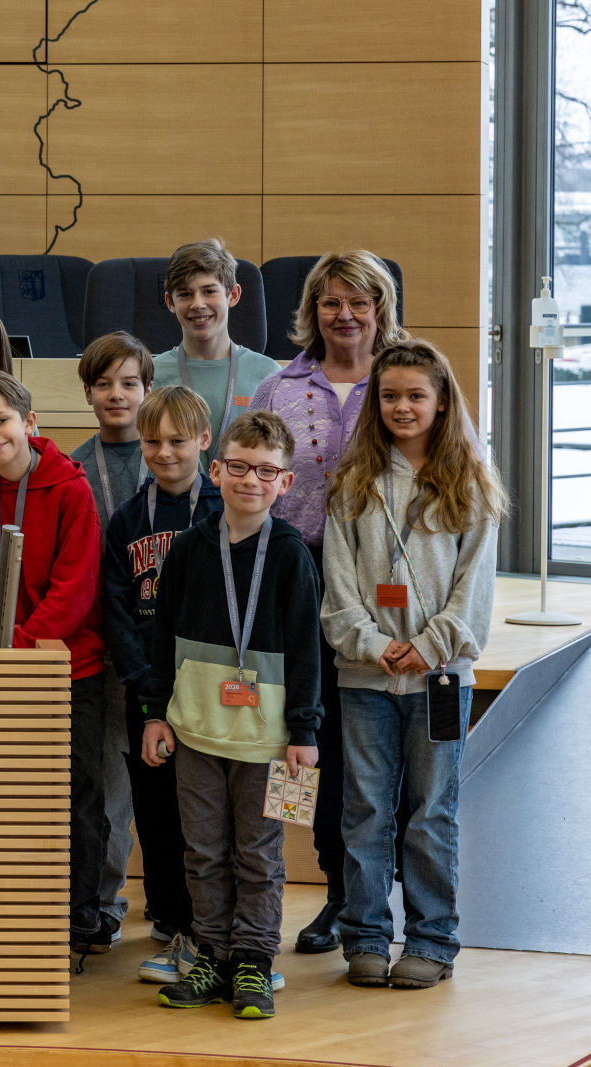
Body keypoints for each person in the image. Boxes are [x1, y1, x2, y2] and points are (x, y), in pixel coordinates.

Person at [321, 340, 503, 990]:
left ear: (442, 401)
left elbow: (473, 595)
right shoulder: (352, 484)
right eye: (390, 395)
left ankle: (432, 940)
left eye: (415, 395)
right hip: (365, 681)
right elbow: (338, 592)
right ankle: (366, 937)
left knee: (431, 813)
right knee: (366, 810)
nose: (402, 406)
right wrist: (373, 645)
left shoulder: (471, 486)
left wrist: (428, 646)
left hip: (440, 682)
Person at [247, 248, 406, 956]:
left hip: (379, 584)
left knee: (365, 750)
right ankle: (327, 890)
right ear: (312, 311)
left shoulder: (407, 379)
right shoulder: (279, 387)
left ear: (380, 309)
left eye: (358, 302)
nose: (344, 315)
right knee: (303, 745)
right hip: (295, 576)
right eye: (330, 302)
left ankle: (361, 896)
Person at [142, 410, 323, 1020]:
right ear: (216, 470)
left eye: (266, 471)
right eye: (239, 467)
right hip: (194, 731)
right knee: (203, 851)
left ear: (286, 483)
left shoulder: (293, 555)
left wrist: (304, 730)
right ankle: (213, 955)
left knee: (259, 853)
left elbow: (306, 650)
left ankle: (253, 960)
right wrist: (155, 714)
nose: (250, 480)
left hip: (268, 742)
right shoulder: (192, 549)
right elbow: (161, 636)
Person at [0, 370, 108, 954]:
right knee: (1, 796)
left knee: (77, 797)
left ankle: (78, 916)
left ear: (30, 422)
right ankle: (8, 913)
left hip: (67, 668)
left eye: (2, 421)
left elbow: (75, 587)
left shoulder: (69, 487)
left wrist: (24, 648)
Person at [99, 385, 223, 983]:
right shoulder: (127, 519)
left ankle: (215, 925)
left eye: (178, 440)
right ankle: (173, 921)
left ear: (204, 440)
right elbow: (117, 614)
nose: (165, 452)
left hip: (211, 695)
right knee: (155, 814)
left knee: (209, 815)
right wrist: (145, 685)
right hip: (148, 694)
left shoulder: (225, 511)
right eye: (153, 441)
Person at [69, 330, 153, 949]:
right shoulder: (71, 465)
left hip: (157, 648)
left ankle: (156, 905)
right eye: (104, 384)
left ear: (149, 389)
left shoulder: (170, 459)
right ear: (89, 392)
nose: (116, 395)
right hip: (97, 643)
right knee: (102, 782)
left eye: (129, 383)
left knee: (149, 787)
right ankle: (98, 902)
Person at [153, 239, 280, 466]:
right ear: (169, 302)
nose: (198, 304)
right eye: (185, 294)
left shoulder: (267, 374)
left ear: (233, 295)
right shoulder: (152, 374)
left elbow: (277, 455)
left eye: (209, 291)